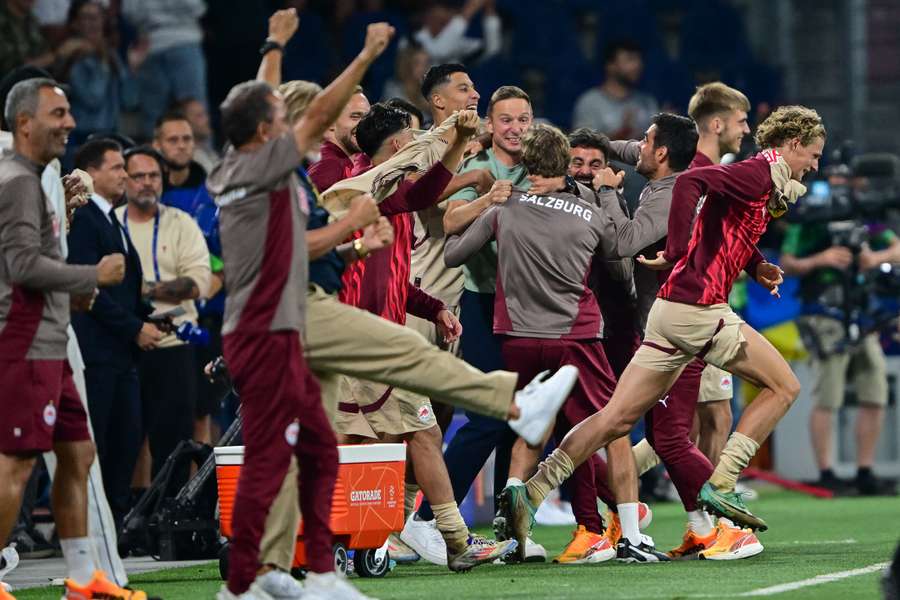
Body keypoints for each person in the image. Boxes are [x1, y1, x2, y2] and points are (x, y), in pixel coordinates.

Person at [248, 67, 578, 595]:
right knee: (380, 436)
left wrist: (427, 303)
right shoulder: (341, 180)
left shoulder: (369, 188)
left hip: (367, 323)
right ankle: (392, 535)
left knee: (383, 437)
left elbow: (415, 200)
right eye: (342, 116)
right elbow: (402, 191)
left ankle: (361, 544)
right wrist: (445, 142)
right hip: (348, 330)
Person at [495, 106, 824, 544]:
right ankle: (722, 484)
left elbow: (725, 227)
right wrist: (674, 248)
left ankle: (532, 491)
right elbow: (689, 182)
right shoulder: (759, 174)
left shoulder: (762, 177)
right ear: (794, 144)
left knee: (615, 418)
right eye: (814, 154)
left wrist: (758, 264)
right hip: (700, 309)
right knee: (785, 387)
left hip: (670, 310)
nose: (815, 165)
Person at [205, 18, 396, 600]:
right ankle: (245, 581)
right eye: (281, 119)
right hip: (263, 334)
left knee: (313, 446)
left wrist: (273, 46)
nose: (294, 123)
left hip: (276, 328)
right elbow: (314, 115)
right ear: (268, 129)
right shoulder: (263, 165)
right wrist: (364, 56)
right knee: (271, 457)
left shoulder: (248, 160)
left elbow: (267, 103)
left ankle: (316, 574)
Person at [446, 123, 668, 564]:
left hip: (518, 338)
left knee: (529, 427)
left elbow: (453, 254)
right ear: (564, 165)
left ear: (527, 164)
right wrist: (606, 193)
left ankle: (514, 532)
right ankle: (630, 535)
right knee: (613, 428)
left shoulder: (503, 210)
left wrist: (490, 205)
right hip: (577, 337)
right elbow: (619, 250)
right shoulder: (588, 213)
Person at [0, 77, 147, 600]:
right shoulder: (17, 179)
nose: (69, 122)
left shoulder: (36, 179)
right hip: (24, 337)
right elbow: (22, 266)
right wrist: (92, 278)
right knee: (16, 462)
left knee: (79, 454)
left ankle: (83, 578)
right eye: (57, 114)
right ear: (23, 124)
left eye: (67, 111)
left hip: (51, 335)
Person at [410, 84, 545, 563]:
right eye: (506, 120)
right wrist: (490, 198)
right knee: (489, 415)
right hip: (484, 303)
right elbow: (449, 222)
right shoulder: (475, 165)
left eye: (523, 119)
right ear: (491, 123)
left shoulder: (545, 165)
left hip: (532, 310)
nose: (515, 129)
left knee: (521, 418)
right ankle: (428, 520)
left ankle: (513, 528)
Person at [781, 184, 900, 496]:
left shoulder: (865, 221)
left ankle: (865, 471)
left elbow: (896, 247)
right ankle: (827, 472)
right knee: (828, 397)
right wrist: (822, 258)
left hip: (861, 316)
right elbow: (787, 262)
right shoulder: (810, 221)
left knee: (875, 393)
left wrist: (874, 259)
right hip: (824, 313)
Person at [69, 138, 162, 530]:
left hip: (121, 354)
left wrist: (148, 317)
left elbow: (123, 289)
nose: (124, 175)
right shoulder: (85, 219)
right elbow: (86, 289)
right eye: (116, 168)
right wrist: (135, 327)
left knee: (125, 440)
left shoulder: (110, 218)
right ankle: (90, 527)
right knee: (99, 444)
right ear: (91, 174)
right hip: (97, 353)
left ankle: (116, 523)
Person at [117, 145, 211, 487]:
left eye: (153, 175)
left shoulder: (181, 223)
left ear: (163, 179)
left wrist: (139, 290)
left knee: (173, 445)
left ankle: (168, 523)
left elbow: (198, 282)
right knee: (121, 442)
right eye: (138, 176)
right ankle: (122, 524)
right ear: (123, 179)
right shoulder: (111, 223)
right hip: (123, 346)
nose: (146, 183)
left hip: (174, 345)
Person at [57, 0, 146, 150]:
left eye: (96, 17)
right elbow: (93, 99)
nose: (91, 23)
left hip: (112, 133)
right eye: (85, 17)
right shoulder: (73, 56)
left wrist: (133, 70)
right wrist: (103, 63)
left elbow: (130, 100)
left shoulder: (111, 54)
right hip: (81, 137)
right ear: (75, 23)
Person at [121, 0, 208, 138]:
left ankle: (156, 157)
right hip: (183, 40)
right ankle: (205, 157)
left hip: (151, 43)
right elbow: (197, 8)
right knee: (194, 109)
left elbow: (129, 12)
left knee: (155, 116)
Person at [572, 39, 659, 140]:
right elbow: (582, 145)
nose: (637, 65)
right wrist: (621, 134)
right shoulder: (590, 103)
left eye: (639, 60)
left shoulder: (647, 102)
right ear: (610, 66)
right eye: (630, 59)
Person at [307, 86, 369, 193]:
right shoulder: (328, 167)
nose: (364, 125)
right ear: (331, 122)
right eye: (355, 116)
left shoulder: (343, 162)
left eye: (367, 118)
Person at [413, 0, 501, 65]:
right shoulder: (413, 39)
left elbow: (492, 50)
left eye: (450, 10)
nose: (449, 15)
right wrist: (468, 12)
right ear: (427, 14)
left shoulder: (455, 40)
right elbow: (441, 51)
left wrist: (490, 11)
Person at [153, 111, 207, 214]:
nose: (181, 146)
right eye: (173, 140)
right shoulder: (147, 191)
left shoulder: (211, 190)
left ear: (194, 143)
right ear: (157, 145)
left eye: (187, 139)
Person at [381, 44, 432, 124]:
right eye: (417, 63)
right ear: (407, 65)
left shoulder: (429, 91)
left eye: (426, 64)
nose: (424, 68)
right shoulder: (393, 90)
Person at [177, 97, 219, 173]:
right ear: (185, 123)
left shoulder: (208, 152)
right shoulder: (190, 161)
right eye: (199, 115)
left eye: (205, 114)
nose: (207, 119)